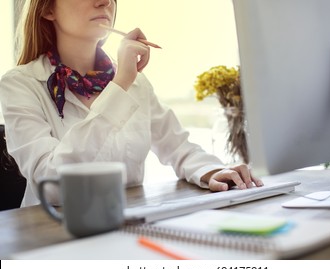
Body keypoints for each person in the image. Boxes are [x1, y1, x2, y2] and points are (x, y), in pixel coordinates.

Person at [0, 0, 262, 207]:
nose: (105, 2)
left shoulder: (135, 82)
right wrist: (121, 83)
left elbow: (179, 147)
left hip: (129, 226)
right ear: (47, 9)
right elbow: (52, 182)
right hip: (52, 234)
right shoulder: (20, 84)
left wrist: (213, 170)